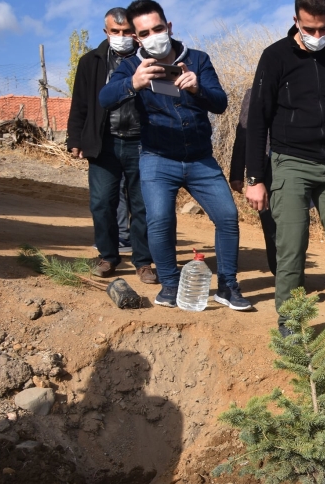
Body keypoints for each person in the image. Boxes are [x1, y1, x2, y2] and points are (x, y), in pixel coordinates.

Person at [244, 0, 325, 354]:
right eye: (309, 29)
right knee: (291, 244)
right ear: (296, 21)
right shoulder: (275, 57)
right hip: (290, 161)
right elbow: (258, 117)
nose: (317, 35)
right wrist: (254, 176)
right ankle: (289, 321)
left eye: (323, 28)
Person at [100, 0, 249, 310]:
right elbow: (105, 98)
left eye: (158, 28)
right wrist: (133, 83)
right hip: (157, 158)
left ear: (168, 27)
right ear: (137, 38)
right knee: (159, 220)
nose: (154, 35)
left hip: (200, 159)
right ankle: (169, 284)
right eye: (145, 32)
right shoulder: (130, 66)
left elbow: (220, 103)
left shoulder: (198, 59)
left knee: (228, 217)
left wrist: (198, 89)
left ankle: (228, 286)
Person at [68, 7, 156, 284]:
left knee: (142, 205)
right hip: (103, 142)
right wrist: (76, 139)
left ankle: (143, 262)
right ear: (105, 32)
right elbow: (80, 103)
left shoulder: (149, 59)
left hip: (143, 143)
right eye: (114, 32)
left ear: (135, 31)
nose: (121, 37)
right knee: (102, 203)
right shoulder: (90, 62)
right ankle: (108, 256)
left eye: (126, 32)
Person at [229, 88, 277, 274]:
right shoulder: (255, 93)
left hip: (299, 168)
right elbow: (244, 132)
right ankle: (282, 274)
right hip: (265, 169)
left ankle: (291, 272)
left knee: (296, 226)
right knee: (272, 225)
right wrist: (237, 173)